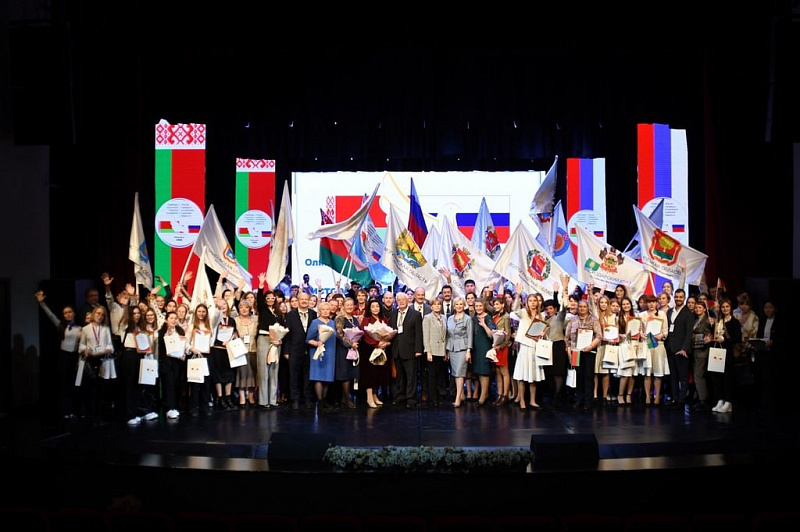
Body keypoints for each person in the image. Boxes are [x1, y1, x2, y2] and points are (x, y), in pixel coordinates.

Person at [35, 290, 82, 421]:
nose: (68, 314)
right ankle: (65, 411)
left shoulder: (80, 328)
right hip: (64, 358)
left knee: (74, 385)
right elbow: (50, 315)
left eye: (70, 312)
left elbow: (82, 345)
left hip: (75, 357)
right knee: (64, 385)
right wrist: (42, 303)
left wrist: (79, 360)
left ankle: (76, 410)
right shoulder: (61, 325)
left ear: (74, 313)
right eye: (65, 313)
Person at [77, 305, 114, 426]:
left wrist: (106, 350)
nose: (100, 316)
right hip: (91, 360)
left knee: (101, 390)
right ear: (93, 314)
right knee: (91, 390)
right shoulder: (85, 329)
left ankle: (99, 416)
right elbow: (81, 345)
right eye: (98, 313)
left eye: (102, 315)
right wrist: (85, 350)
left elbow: (110, 345)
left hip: (102, 359)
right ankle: (91, 417)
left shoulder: (105, 329)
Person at [512, 288, 546, 410]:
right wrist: (518, 295)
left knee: (533, 376)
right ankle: (522, 401)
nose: (532, 303)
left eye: (534, 301)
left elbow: (543, 330)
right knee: (523, 376)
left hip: (535, 347)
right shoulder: (523, 313)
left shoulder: (541, 316)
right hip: (525, 347)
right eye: (530, 301)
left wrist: (543, 333)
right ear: (527, 302)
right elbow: (515, 309)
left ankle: (532, 400)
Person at [283, 292, 317, 410]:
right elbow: (287, 334)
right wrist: (286, 351)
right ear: (297, 300)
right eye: (301, 299)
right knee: (294, 376)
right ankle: (295, 400)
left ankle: (307, 399)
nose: (304, 301)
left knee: (308, 376)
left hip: (310, 350)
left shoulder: (313, 314)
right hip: (294, 350)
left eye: (306, 299)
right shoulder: (291, 315)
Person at [388, 292, 423, 409]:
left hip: (410, 350)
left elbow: (419, 333)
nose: (401, 301)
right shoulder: (392, 314)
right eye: (399, 300)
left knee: (411, 376)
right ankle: (400, 395)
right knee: (399, 376)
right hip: (396, 350)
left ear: (408, 301)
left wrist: (418, 350)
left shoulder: (415, 314)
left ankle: (411, 398)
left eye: (403, 299)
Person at [255, 273, 283, 409]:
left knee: (274, 370)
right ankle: (263, 400)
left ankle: (272, 399)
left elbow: (283, 327)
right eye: (268, 298)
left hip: (276, 342)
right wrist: (261, 285)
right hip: (264, 340)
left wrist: (280, 339)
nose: (271, 300)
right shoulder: (263, 309)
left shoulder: (278, 313)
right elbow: (259, 299)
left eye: (273, 298)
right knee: (263, 370)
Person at [542, 277, 570, 409]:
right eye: (547, 309)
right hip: (548, 347)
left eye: (551, 308)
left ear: (555, 309)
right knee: (550, 374)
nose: (549, 311)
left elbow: (564, 308)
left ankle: (556, 400)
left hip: (558, 346)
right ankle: (552, 397)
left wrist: (561, 290)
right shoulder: (544, 320)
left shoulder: (559, 317)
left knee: (558, 373)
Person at [711, 297, 742, 413]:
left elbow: (738, 338)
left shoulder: (734, 322)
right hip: (717, 351)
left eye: (727, 306)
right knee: (717, 377)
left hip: (728, 353)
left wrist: (724, 340)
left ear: (731, 308)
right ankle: (720, 400)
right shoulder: (718, 321)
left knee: (727, 378)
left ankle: (728, 402)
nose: (725, 309)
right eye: (723, 307)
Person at [665, 288, 694, 409]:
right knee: (673, 376)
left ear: (684, 298)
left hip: (682, 350)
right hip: (670, 348)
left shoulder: (688, 313)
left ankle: (681, 400)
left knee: (683, 377)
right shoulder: (669, 311)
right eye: (676, 297)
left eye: (681, 297)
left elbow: (689, 333)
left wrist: (684, 349)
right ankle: (674, 398)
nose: (678, 299)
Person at [185, 303, 216, 418]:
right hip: (195, 355)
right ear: (196, 312)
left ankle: (204, 406)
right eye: (199, 311)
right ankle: (194, 407)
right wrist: (191, 349)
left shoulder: (210, 326)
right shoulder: (191, 326)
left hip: (207, 356)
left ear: (206, 313)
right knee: (195, 382)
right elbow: (186, 342)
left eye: (203, 311)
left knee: (206, 382)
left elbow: (211, 341)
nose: (201, 314)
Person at [360, 298, 392, 408]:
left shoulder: (384, 319)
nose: (375, 308)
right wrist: (376, 343)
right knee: (370, 375)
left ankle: (375, 395)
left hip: (382, 350)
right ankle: (369, 397)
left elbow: (388, 332)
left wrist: (386, 342)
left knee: (379, 374)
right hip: (369, 350)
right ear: (369, 308)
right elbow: (365, 335)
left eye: (377, 306)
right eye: (373, 306)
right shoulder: (366, 320)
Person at [306, 301, 337, 412]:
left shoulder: (332, 323)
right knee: (318, 376)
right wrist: (317, 343)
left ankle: (324, 400)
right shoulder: (315, 322)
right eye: (323, 309)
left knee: (327, 377)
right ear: (319, 310)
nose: (325, 311)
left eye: (327, 309)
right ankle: (319, 402)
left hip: (330, 352)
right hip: (318, 352)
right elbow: (308, 339)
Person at [640, 294, 669, 406]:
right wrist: (643, 335)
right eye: (649, 302)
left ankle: (657, 397)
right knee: (648, 373)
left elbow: (665, 331)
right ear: (646, 303)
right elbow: (640, 331)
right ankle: (648, 396)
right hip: (647, 345)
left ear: (657, 303)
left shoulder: (662, 314)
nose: (651, 304)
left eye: (653, 302)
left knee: (658, 372)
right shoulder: (642, 315)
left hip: (658, 345)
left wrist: (659, 336)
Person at [158, 310, 186, 419]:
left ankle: (176, 406)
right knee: (168, 384)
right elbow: (161, 346)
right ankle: (169, 408)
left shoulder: (180, 330)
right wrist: (167, 336)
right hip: (167, 362)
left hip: (178, 362)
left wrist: (183, 353)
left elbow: (183, 344)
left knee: (177, 384)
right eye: (171, 318)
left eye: (175, 318)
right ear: (166, 320)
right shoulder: (162, 332)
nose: (173, 320)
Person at [209, 297, 237, 411]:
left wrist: (231, 339)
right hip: (217, 349)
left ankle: (228, 397)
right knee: (218, 374)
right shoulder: (215, 319)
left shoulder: (232, 320)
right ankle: (220, 398)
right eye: (221, 304)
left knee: (229, 374)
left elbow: (234, 333)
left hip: (228, 350)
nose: (223, 306)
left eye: (225, 304)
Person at [333, 297, 360, 409]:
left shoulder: (354, 319)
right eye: (347, 305)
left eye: (351, 305)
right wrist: (350, 344)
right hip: (343, 350)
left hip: (353, 349)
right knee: (345, 374)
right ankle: (347, 399)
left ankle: (346, 398)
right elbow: (339, 335)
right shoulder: (340, 318)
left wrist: (356, 342)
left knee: (351, 373)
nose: (349, 307)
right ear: (343, 306)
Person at [446, 297, 473, 408]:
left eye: (461, 304)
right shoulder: (450, 318)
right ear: (454, 306)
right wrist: (447, 350)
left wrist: (468, 351)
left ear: (464, 305)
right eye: (457, 304)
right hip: (452, 348)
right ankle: (461, 395)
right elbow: (448, 335)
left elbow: (470, 335)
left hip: (463, 348)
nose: (459, 306)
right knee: (455, 373)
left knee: (460, 373)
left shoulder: (468, 319)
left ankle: (458, 399)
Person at [755, 300, 780, 413]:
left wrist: (773, 342)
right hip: (763, 353)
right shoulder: (763, 320)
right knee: (763, 379)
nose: (768, 310)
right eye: (766, 307)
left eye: (770, 307)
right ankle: (763, 403)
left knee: (771, 380)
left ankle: (772, 404)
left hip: (773, 354)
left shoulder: (779, 322)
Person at [422, 298, 448, 407]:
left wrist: (446, 351)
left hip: (442, 350)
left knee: (440, 375)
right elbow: (426, 336)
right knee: (432, 375)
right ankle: (433, 398)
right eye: (435, 304)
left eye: (439, 304)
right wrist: (428, 351)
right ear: (431, 307)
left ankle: (440, 395)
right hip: (432, 351)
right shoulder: (427, 318)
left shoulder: (444, 318)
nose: (437, 306)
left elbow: (446, 336)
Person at [689, 299, 714, 411]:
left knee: (699, 376)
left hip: (703, 352)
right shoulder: (695, 320)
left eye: (700, 307)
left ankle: (703, 400)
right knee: (697, 376)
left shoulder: (708, 321)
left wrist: (694, 338)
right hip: (695, 350)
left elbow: (708, 337)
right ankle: (700, 398)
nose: (697, 309)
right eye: (696, 307)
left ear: (704, 309)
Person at [471, 299, 496, 405]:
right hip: (476, 348)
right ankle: (484, 394)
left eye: (480, 306)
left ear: (484, 306)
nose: (478, 308)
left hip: (485, 347)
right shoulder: (473, 318)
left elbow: (491, 335)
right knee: (478, 372)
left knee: (484, 371)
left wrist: (484, 325)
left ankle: (482, 398)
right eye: (476, 306)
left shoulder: (488, 318)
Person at [234, 299, 258, 409]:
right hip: (240, 350)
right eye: (241, 307)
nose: (244, 309)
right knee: (242, 374)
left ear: (250, 308)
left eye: (246, 307)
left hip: (253, 349)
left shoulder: (256, 319)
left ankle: (251, 396)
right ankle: (242, 396)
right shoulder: (235, 320)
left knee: (252, 373)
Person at [491, 296, 513, 406]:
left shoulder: (506, 317)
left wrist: (502, 345)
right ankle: (499, 394)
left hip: (503, 348)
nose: (495, 306)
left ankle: (505, 395)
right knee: (498, 371)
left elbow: (508, 334)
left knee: (504, 372)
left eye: (497, 304)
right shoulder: (494, 316)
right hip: (495, 347)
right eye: (494, 304)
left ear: (503, 304)